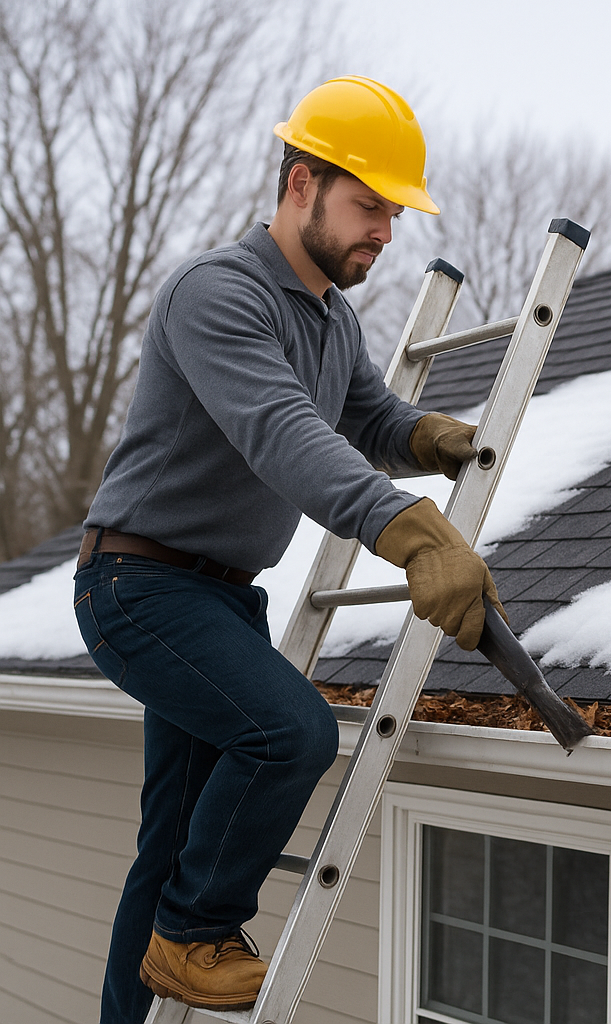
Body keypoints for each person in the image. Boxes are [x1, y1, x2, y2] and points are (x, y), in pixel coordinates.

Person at [73, 76, 501, 1023]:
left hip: (220, 601)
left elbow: (362, 416)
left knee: (170, 842)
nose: (385, 232)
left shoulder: (331, 320)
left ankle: (149, 976)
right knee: (291, 733)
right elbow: (281, 430)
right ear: (301, 183)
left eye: (392, 212)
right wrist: (409, 529)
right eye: (369, 206)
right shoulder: (214, 295)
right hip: (136, 585)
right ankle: (196, 937)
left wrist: (426, 437)